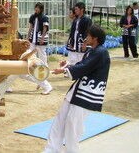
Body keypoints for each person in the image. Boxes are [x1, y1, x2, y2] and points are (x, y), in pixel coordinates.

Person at [44, 24, 111, 153]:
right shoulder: (93, 51)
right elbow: (83, 64)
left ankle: (71, 151)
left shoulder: (101, 52)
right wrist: (67, 65)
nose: (86, 38)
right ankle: (51, 149)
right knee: (60, 119)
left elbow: (84, 67)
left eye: (88, 35)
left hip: (87, 93)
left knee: (72, 125)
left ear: (95, 38)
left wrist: (64, 70)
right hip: (77, 91)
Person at [26, 2, 53, 95]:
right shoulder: (33, 17)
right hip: (33, 38)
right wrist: (27, 37)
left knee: (42, 55)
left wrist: (42, 38)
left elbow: (45, 28)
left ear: (41, 9)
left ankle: (44, 70)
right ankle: (34, 69)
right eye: (35, 8)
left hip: (40, 37)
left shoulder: (45, 17)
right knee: (30, 53)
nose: (36, 10)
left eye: (37, 8)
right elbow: (30, 27)